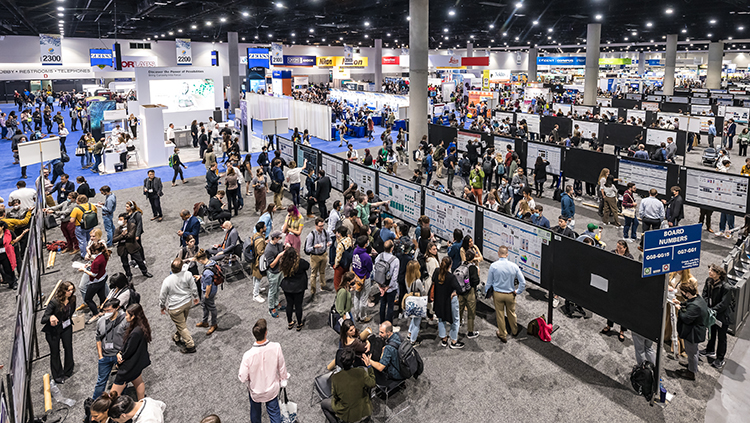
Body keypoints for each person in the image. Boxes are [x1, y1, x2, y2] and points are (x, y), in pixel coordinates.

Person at [238, 319, 289, 423]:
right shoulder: (276, 347)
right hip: (272, 390)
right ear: (266, 332)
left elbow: (242, 377)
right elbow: (282, 367)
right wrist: (283, 379)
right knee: (275, 414)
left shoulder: (247, 355)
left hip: (255, 391)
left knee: (255, 414)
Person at [321, 348, 376, 423]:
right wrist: (369, 367)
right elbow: (373, 383)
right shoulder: (361, 372)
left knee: (324, 404)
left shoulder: (335, 378)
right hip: (364, 411)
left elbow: (335, 396)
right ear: (353, 361)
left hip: (347, 414)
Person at [484, 246, 526, 343]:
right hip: (510, 294)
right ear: (507, 254)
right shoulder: (514, 266)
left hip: (498, 294)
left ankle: (502, 334)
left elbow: (489, 282)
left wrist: (487, 292)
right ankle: (514, 331)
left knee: (500, 314)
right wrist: (518, 291)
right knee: (511, 313)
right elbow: (523, 282)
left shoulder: (493, 266)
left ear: (498, 254)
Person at [110, 304, 152, 400]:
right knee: (138, 382)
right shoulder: (141, 326)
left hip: (128, 366)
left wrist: (120, 356)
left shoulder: (135, 332)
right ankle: (141, 402)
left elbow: (129, 350)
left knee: (113, 395)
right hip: (137, 363)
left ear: (133, 316)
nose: (125, 317)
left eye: (127, 315)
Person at [159, 258, 200, 354]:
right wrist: (195, 297)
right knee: (182, 323)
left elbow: (162, 296)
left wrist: (162, 306)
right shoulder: (188, 274)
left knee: (182, 326)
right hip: (187, 303)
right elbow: (193, 287)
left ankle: (190, 346)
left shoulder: (167, 281)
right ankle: (176, 337)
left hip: (175, 307)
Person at [93, 299, 129, 399]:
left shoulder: (125, 320)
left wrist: (123, 354)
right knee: (100, 382)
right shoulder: (101, 321)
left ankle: (120, 402)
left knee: (122, 381)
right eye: (104, 311)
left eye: (108, 310)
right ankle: (95, 405)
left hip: (119, 355)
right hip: (105, 356)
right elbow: (98, 338)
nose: (106, 313)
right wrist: (100, 355)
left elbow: (129, 338)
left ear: (116, 308)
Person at [42, 281, 76, 384]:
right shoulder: (54, 302)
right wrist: (51, 317)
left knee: (68, 348)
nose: (71, 292)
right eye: (68, 290)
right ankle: (58, 375)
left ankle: (68, 370)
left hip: (66, 327)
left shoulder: (73, 299)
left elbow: (72, 312)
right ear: (63, 291)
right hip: (53, 330)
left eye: (72, 289)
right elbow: (43, 319)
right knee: (55, 352)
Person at [674, 277, 708, 381]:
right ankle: (690, 365)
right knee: (693, 351)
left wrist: (679, 309)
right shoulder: (698, 298)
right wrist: (681, 303)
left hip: (693, 334)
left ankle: (691, 372)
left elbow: (686, 318)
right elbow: (689, 303)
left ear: (687, 293)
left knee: (692, 352)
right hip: (695, 331)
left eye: (683, 292)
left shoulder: (695, 306)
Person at [701, 265, 735, 369]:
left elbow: (724, 304)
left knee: (721, 337)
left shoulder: (726, 287)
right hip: (711, 313)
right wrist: (707, 307)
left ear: (719, 274)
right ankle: (709, 349)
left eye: (712, 271)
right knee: (711, 331)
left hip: (722, 316)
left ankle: (720, 358)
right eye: (709, 270)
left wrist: (713, 310)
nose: (709, 272)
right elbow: (705, 294)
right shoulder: (708, 281)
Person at [432, 256, 464, 348]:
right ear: (450, 265)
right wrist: (454, 293)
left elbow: (433, 281)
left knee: (441, 319)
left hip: (439, 301)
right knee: (455, 320)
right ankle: (454, 341)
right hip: (449, 302)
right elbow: (460, 290)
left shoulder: (436, 272)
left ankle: (444, 339)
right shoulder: (451, 277)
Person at [112, 213, 151, 281]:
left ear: (125, 220)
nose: (119, 221)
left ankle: (145, 272)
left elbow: (131, 235)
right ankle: (129, 274)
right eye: (119, 219)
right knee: (125, 263)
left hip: (132, 246)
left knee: (139, 260)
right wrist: (121, 235)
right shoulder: (117, 229)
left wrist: (122, 236)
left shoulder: (132, 225)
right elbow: (114, 240)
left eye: (121, 219)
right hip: (122, 248)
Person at [78, 242, 110, 324]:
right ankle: (103, 311)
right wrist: (90, 266)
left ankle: (96, 314)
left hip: (96, 281)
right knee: (101, 296)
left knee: (88, 299)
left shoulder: (96, 261)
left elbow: (94, 274)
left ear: (96, 251)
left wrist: (84, 270)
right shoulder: (104, 255)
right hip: (103, 277)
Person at [280, 246, 310, 331]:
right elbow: (307, 266)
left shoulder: (284, 262)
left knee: (289, 304)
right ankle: (299, 323)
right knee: (298, 306)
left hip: (287, 286)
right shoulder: (300, 262)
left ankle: (290, 322)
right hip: (298, 287)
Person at [374, 240, 400, 324]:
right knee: (390, 306)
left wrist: (380, 285)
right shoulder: (395, 260)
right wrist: (388, 287)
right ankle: (388, 325)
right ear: (392, 248)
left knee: (382, 305)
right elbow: (394, 277)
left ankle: (382, 323)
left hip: (381, 286)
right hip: (390, 288)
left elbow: (375, 271)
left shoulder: (379, 256)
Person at [457, 249, 481, 339]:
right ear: (473, 257)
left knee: (460, 309)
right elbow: (476, 281)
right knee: (471, 312)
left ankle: (457, 326)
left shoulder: (461, 264)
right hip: (470, 291)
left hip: (461, 290)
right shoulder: (472, 268)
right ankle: (470, 332)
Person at [195, 250, 219, 336]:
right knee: (204, 305)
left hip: (209, 291)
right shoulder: (211, 262)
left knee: (212, 307)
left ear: (201, 260)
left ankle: (214, 324)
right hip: (207, 289)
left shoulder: (207, 272)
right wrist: (201, 277)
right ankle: (205, 321)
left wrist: (206, 295)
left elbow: (208, 285)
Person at [304, 217, 331, 296]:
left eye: (322, 225)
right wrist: (314, 247)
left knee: (322, 271)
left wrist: (329, 243)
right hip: (315, 257)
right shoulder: (311, 235)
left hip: (324, 254)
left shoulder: (325, 232)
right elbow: (307, 249)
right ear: (316, 226)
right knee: (313, 274)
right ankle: (313, 291)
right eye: (320, 226)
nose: (322, 227)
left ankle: (323, 285)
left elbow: (330, 240)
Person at [352, 235, 374, 323]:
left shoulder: (355, 251)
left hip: (355, 277)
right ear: (365, 244)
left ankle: (356, 315)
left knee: (356, 296)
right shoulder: (366, 257)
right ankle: (363, 316)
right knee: (364, 298)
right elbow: (370, 268)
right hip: (364, 278)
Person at [265, 231, 286, 318]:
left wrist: (285, 247)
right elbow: (272, 265)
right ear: (274, 238)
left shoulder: (279, 244)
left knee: (278, 288)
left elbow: (282, 249)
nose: (280, 239)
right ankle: (271, 308)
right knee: (272, 290)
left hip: (280, 270)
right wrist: (279, 256)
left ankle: (277, 303)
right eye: (279, 238)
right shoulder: (269, 249)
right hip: (273, 273)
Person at [69, 194, 97, 259]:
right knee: (90, 240)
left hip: (80, 227)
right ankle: (92, 252)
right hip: (90, 226)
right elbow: (95, 214)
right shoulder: (92, 205)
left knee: (82, 241)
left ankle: (84, 255)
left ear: (79, 201)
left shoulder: (76, 209)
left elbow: (72, 220)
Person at [248, 222, 267, 303]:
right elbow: (260, 252)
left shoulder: (255, 235)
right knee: (258, 277)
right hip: (258, 261)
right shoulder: (260, 240)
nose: (266, 227)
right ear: (261, 229)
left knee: (255, 276)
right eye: (264, 226)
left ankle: (257, 289)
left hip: (254, 259)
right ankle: (255, 295)